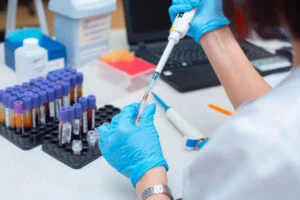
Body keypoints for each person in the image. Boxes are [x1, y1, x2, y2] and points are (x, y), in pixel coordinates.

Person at [98, 0, 300, 199]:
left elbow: (272, 131)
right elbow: (275, 111)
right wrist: (213, 31)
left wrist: (148, 178)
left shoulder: (262, 145)